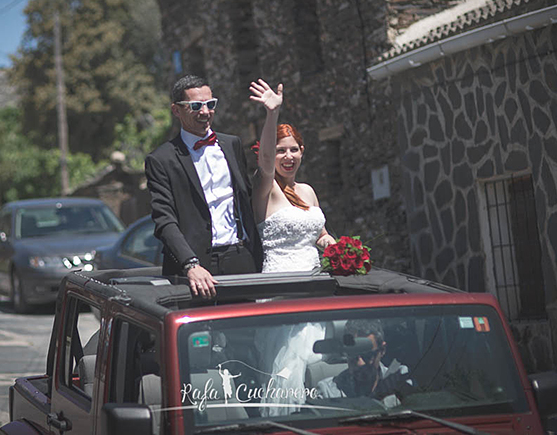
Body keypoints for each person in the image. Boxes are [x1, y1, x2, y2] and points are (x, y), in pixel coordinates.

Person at [145, 75, 262, 298]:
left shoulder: (232, 144)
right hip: (195, 268)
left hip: (240, 258)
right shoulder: (161, 159)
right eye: (196, 106)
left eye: (210, 104)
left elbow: (248, 197)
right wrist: (190, 264)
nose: (205, 112)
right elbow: (164, 219)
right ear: (176, 110)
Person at [248, 78, 336, 274]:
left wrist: (333, 246)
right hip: (281, 278)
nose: (288, 156)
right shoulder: (266, 186)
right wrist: (272, 114)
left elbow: (320, 235)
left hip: (316, 276)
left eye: (294, 150)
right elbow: (266, 160)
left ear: (301, 151)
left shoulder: (308, 191)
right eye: (280, 151)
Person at [316, 319, 414, 408]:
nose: (360, 363)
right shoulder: (327, 393)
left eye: (367, 355)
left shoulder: (398, 380)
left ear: (382, 350)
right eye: (353, 354)